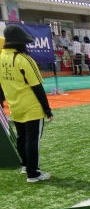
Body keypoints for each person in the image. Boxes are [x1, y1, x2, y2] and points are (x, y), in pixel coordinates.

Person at [0, 25, 54, 183]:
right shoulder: (25, 60)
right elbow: (37, 87)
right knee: (32, 140)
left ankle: (25, 166)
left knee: (22, 137)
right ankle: (34, 173)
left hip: (14, 106)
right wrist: (47, 109)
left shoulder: (1, 57)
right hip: (32, 107)